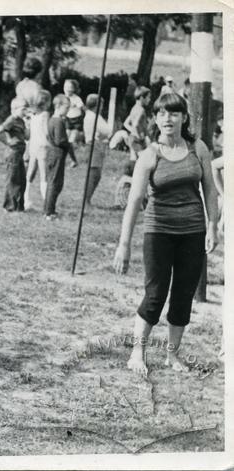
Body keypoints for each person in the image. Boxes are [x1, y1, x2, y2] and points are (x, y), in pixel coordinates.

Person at [113, 93, 219, 376]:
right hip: (159, 231)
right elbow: (134, 202)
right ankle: (138, 353)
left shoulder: (199, 148)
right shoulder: (150, 155)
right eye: (161, 114)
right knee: (155, 294)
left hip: (193, 231)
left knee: (184, 293)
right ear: (155, 119)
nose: (167, 119)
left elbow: (210, 188)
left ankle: (173, 355)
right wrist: (124, 245)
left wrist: (212, 226)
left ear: (184, 117)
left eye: (173, 113)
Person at [0, 97, 29, 212]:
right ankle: (9, 206)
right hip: (13, 152)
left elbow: (28, 137)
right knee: (13, 179)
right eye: (23, 109)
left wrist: (28, 124)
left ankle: (19, 206)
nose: (25, 112)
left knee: (22, 179)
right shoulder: (11, 120)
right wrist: (8, 142)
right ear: (14, 109)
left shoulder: (21, 121)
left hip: (20, 153)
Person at [44, 94, 76, 220]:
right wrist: (68, 143)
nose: (68, 109)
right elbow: (59, 140)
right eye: (66, 107)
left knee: (53, 182)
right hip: (57, 154)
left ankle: (48, 210)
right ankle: (49, 212)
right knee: (55, 183)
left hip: (53, 153)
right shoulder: (58, 121)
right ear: (58, 106)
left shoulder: (52, 120)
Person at [82, 93, 113, 206]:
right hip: (94, 145)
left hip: (95, 144)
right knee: (94, 173)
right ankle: (86, 200)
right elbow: (107, 131)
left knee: (95, 173)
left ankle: (87, 199)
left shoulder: (91, 115)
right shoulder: (94, 117)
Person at [24, 90, 52, 210]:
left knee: (30, 173)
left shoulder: (32, 116)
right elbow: (46, 132)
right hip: (43, 146)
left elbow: (29, 133)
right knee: (44, 175)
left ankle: (26, 199)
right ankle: (47, 203)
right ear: (46, 102)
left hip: (33, 146)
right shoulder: (45, 115)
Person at [123, 86, 152, 163]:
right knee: (144, 161)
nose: (150, 100)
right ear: (142, 97)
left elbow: (126, 123)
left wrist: (133, 132)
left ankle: (130, 173)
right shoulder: (141, 110)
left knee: (135, 161)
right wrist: (140, 136)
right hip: (138, 140)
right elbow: (135, 124)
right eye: (148, 97)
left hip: (132, 138)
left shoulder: (134, 108)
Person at [64, 79, 85, 145]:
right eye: (65, 87)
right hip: (67, 118)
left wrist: (76, 105)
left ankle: (73, 142)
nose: (67, 89)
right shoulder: (63, 98)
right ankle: (67, 142)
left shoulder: (76, 98)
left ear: (74, 89)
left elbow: (82, 107)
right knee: (67, 131)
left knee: (75, 132)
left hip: (76, 119)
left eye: (70, 87)